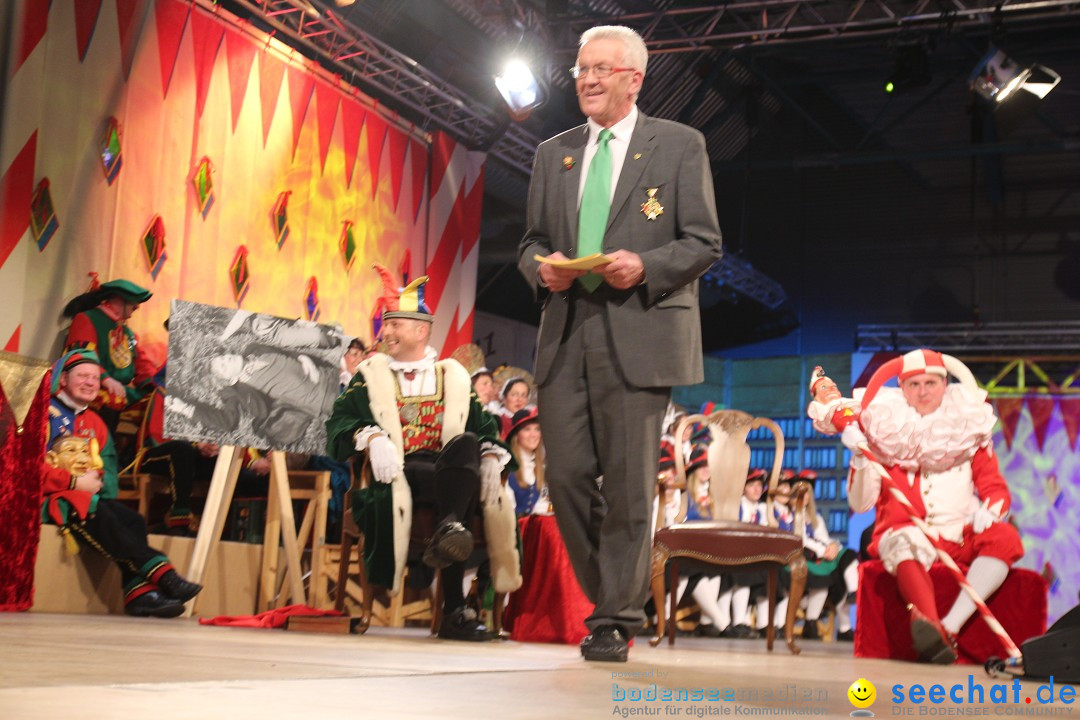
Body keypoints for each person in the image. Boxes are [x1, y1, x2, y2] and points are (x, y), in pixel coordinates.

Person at [516, 24, 723, 663]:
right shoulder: (554, 154)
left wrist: (647, 267)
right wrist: (538, 269)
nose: (588, 79)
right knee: (570, 474)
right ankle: (613, 592)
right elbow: (527, 242)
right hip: (565, 330)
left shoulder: (680, 145)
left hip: (639, 328)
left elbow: (703, 242)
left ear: (634, 79)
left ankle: (613, 617)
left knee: (632, 485)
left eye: (603, 69)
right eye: (582, 69)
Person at [325, 266, 520, 641]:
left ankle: (447, 535)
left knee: (463, 446)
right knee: (457, 503)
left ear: (421, 330)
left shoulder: (455, 378)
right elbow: (337, 425)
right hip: (398, 472)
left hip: (448, 472)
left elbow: (485, 430)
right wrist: (371, 438)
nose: (386, 332)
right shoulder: (371, 375)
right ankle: (454, 612)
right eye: (386, 324)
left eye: (395, 325)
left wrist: (493, 456)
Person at [844, 348, 1023, 664]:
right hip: (907, 532)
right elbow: (861, 504)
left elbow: (995, 488)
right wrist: (859, 457)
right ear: (901, 390)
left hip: (959, 532)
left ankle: (946, 630)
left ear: (945, 385)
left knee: (1005, 537)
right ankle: (930, 626)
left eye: (931, 383)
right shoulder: (880, 435)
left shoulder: (968, 430)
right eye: (914, 384)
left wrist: (990, 511)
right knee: (903, 544)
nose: (923, 391)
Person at [41, 350, 202, 617]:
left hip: (85, 498)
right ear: (64, 379)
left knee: (134, 521)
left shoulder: (95, 421)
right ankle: (162, 573)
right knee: (92, 508)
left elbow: (107, 472)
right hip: (46, 496)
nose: (91, 383)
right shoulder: (43, 414)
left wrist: (93, 482)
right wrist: (70, 480)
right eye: (83, 376)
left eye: (95, 378)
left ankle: (139, 594)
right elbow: (24, 466)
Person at [167, 345, 338, 449]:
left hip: (329, 374)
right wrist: (185, 408)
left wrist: (303, 358)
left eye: (224, 358)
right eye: (224, 367)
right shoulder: (239, 389)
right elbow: (227, 422)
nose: (228, 360)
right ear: (230, 379)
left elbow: (284, 352)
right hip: (324, 398)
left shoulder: (253, 349)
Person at [63, 278, 156, 429]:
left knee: (156, 401)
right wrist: (106, 379)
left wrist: (155, 384)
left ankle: (137, 451)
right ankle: (106, 446)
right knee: (113, 398)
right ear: (121, 299)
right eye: (135, 302)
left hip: (122, 390)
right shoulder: (88, 319)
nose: (138, 307)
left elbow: (142, 362)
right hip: (95, 387)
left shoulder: (127, 332)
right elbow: (83, 356)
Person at [790, 470, 858, 642]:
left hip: (822, 557)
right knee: (828, 577)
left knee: (848, 556)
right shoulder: (789, 515)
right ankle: (814, 622)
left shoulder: (815, 518)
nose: (804, 497)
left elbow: (824, 538)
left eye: (807, 493)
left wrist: (833, 546)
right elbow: (801, 539)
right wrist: (824, 550)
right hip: (803, 557)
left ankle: (853, 592)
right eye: (800, 493)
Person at [504, 407, 549, 516]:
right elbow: (506, 512)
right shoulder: (506, 466)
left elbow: (542, 506)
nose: (533, 435)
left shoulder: (540, 468)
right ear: (516, 435)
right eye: (527, 429)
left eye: (537, 429)